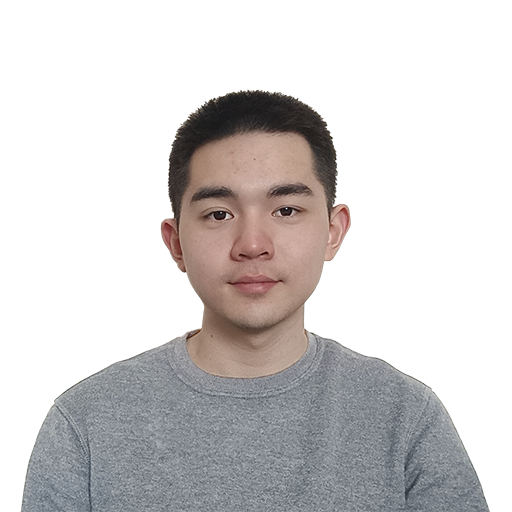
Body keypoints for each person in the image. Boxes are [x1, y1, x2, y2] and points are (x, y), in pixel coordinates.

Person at [22, 91, 488, 511]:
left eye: (286, 209)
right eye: (218, 214)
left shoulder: (405, 418)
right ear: (176, 243)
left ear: (333, 232)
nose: (252, 245)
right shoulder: (85, 423)